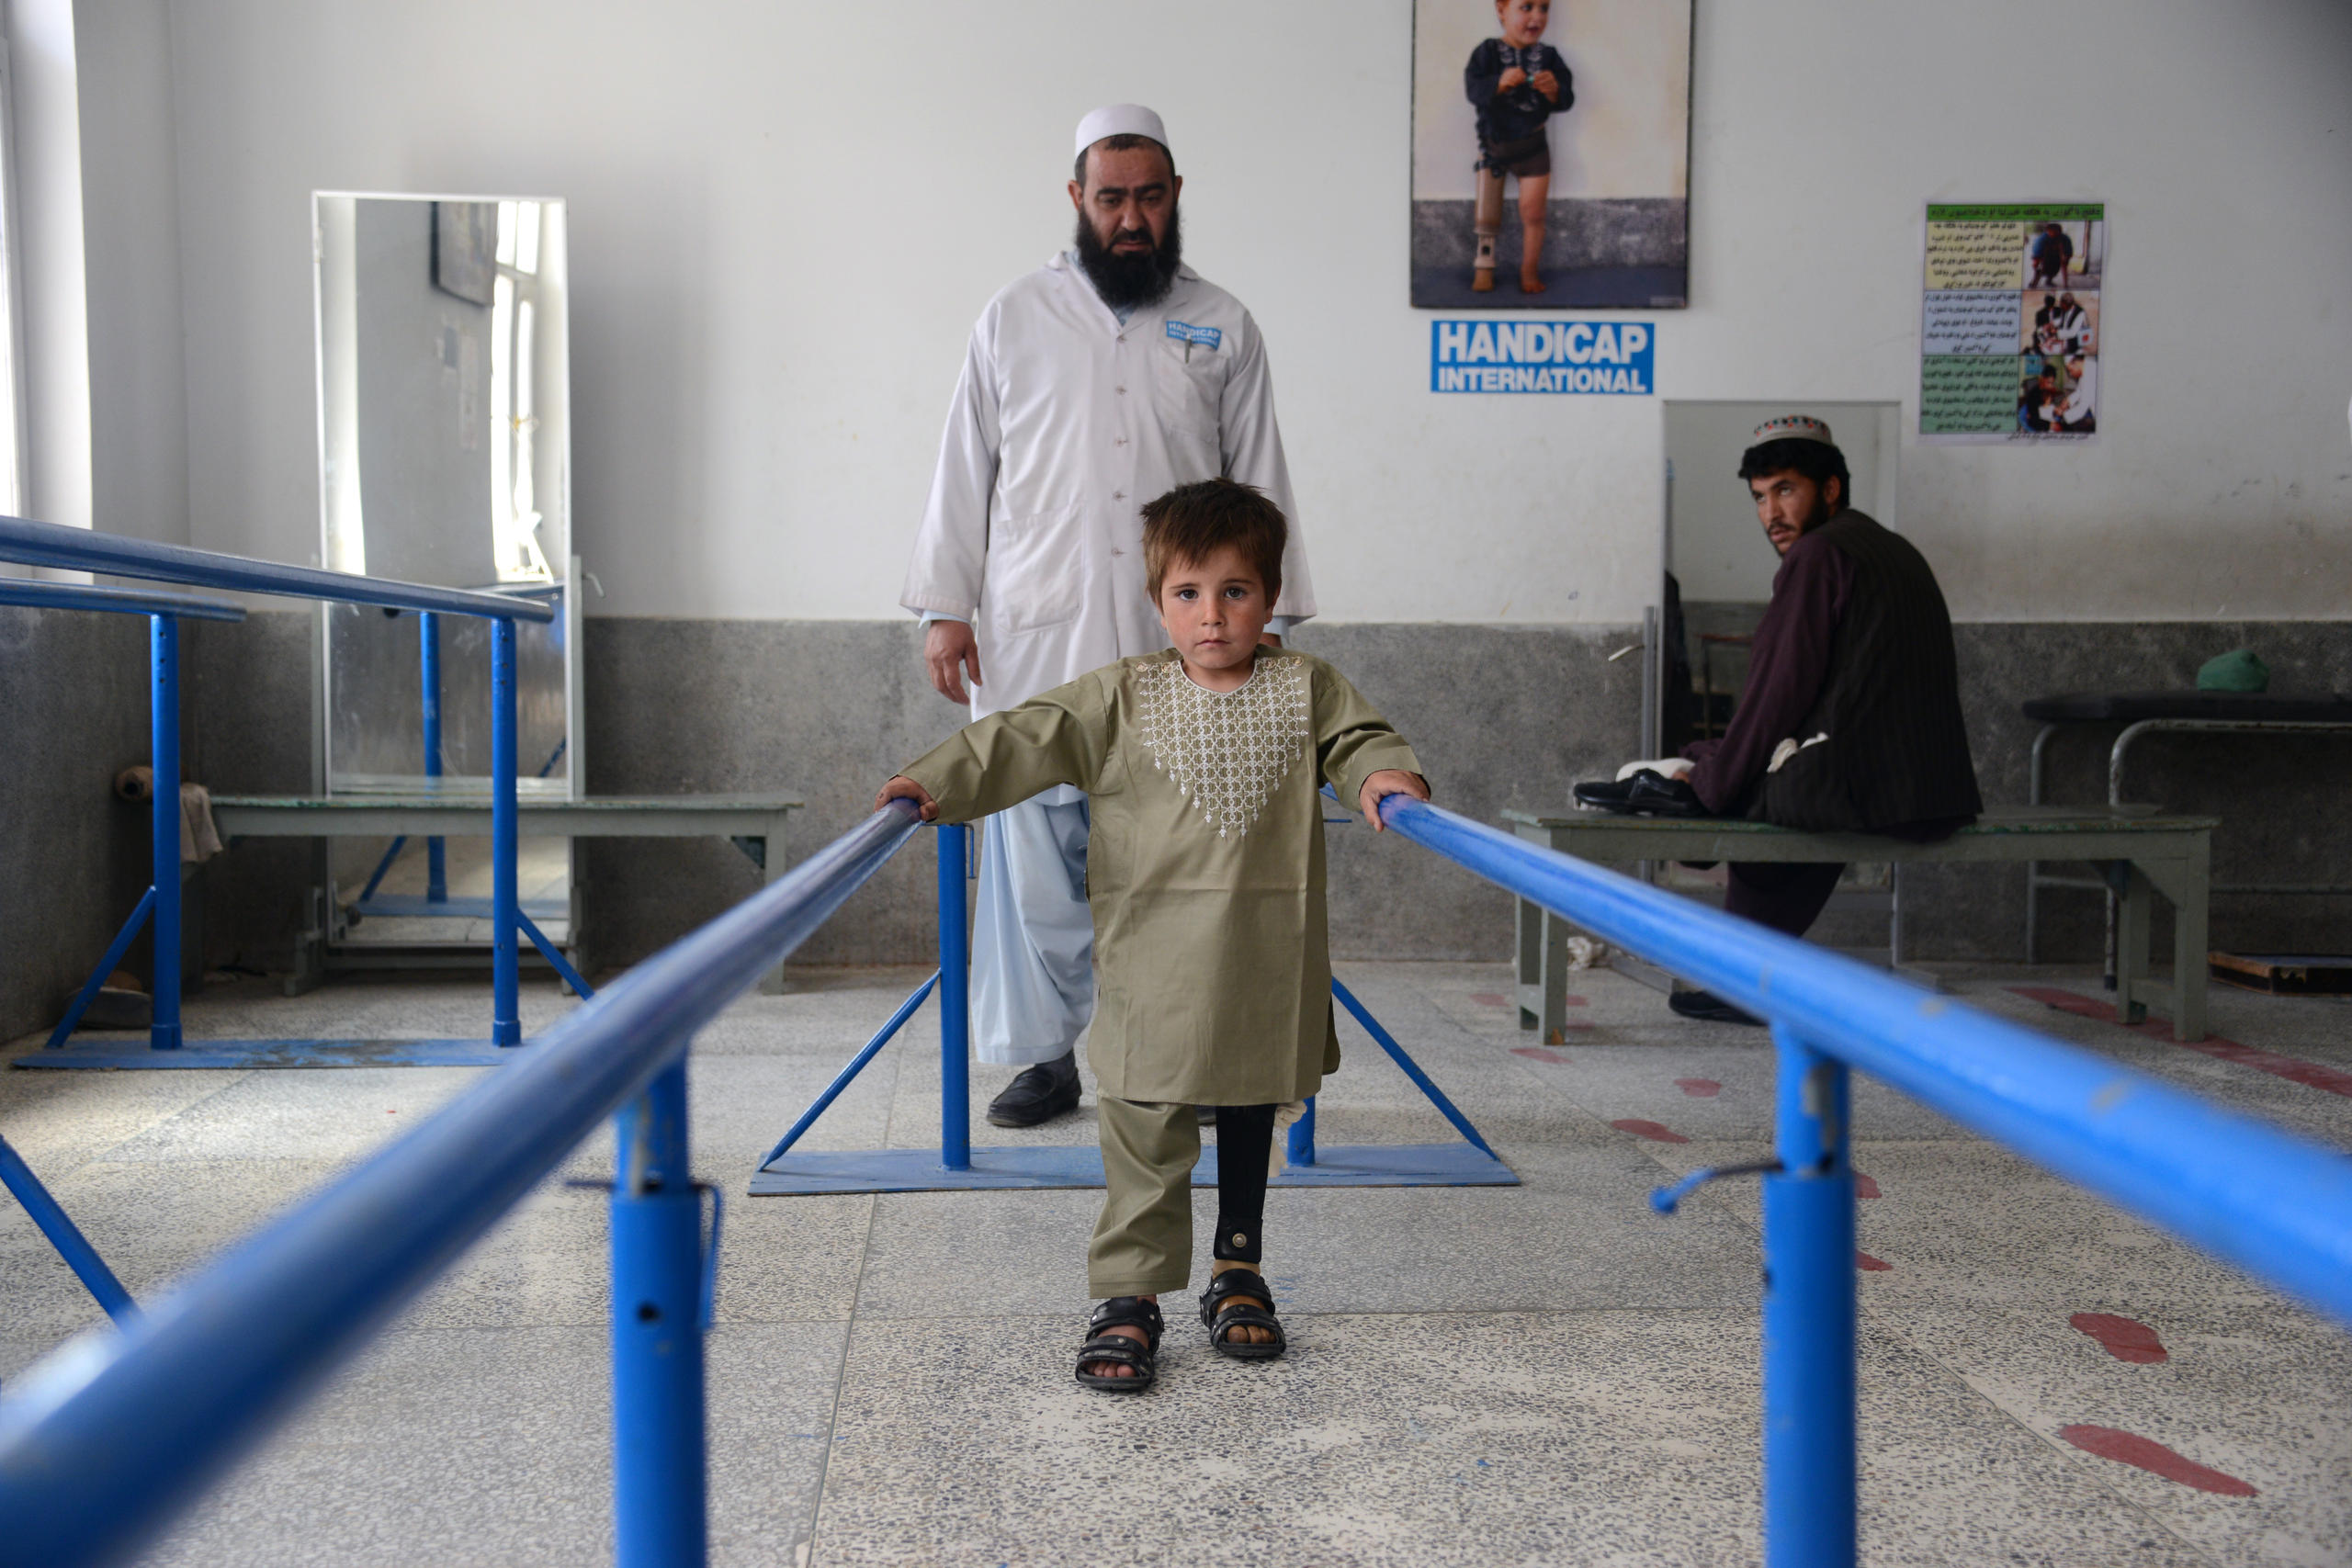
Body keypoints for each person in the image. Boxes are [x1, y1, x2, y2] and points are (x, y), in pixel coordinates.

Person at [876, 479, 1429, 1390]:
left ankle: (1236, 1268)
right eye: (1187, 594)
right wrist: (930, 783)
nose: (1211, 616)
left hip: (1264, 953)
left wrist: (1382, 781)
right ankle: (1129, 1296)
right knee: (1143, 1116)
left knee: (1251, 1102)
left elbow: (1361, 739)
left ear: (1270, 595)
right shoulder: (1123, 695)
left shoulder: (1306, 686)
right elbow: (1026, 734)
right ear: (1155, 601)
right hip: (1151, 960)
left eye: (1235, 592)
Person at [901, 105, 1317, 1130]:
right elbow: (966, 469)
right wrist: (946, 607)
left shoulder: (1223, 323)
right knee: (1035, 863)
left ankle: (1195, 1056)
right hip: (1037, 633)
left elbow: (1259, 475)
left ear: (1175, 198)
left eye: (1150, 196)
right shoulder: (1013, 316)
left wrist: (1272, 617)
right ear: (1078, 201)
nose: (1131, 216)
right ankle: (1044, 1061)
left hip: (1191, 648)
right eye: (1111, 197)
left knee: (1185, 867)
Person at [1572, 416, 1982, 1023]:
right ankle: (1747, 971)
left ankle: (1744, 979)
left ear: (1831, 488)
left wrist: (1713, 783)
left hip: (1868, 786)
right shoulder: (1888, 546)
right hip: (1932, 787)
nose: (1772, 513)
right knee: (1739, 769)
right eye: (1761, 498)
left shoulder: (1819, 555)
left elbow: (1776, 689)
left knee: (1748, 794)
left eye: (1786, 490)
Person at [1464, 0, 1574, 294]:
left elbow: (1566, 98)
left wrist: (1554, 91)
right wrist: (1497, 84)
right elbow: (1473, 90)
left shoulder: (1549, 57)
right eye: (1526, 7)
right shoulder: (1486, 52)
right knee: (1487, 215)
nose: (1536, 16)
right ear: (1501, 10)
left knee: (1534, 213)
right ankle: (1484, 264)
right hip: (1494, 147)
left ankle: (1529, 270)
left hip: (1533, 148)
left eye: (1544, 8)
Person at [2058, 354, 2098, 433]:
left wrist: (2063, 416)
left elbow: (2082, 408)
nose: (2071, 374)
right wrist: (2068, 401)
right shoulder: (2086, 368)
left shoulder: (2090, 374)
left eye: (2070, 370)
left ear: (2075, 363)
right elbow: (2079, 391)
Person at [2029, 221, 2075, 288]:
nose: (2054, 234)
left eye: (2056, 232)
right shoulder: (2041, 239)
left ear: (2060, 232)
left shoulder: (2065, 239)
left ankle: (2050, 281)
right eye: (2051, 232)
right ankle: (2034, 282)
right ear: (2047, 231)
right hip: (2043, 255)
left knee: (2060, 266)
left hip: (2057, 256)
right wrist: (2037, 264)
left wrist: (2065, 258)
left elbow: (2068, 252)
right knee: (2038, 267)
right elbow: (2036, 255)